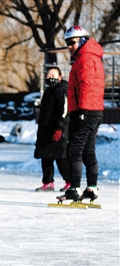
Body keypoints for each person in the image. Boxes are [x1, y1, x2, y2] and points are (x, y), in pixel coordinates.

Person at [57, 26, 105, 202]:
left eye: (72, 42)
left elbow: (87, 84)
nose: (69, 46)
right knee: (88, 152)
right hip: (93, 111)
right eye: (67, 43)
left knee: (74, 151)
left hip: (86, 111)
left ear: (83, 40)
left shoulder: (85, 58)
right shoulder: (89, 57)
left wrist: (82, 110)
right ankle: (92, 188)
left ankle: (74, 189)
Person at [34, 67, 70, 192]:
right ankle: (48, 182)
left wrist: (59, 128)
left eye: (53, 75)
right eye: (48, 76)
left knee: (61, 157)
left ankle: (70, 182)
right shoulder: (48, 91)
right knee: (46, 157)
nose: (50, 78)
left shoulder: (62, 91)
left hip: (57, 131)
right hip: (45, 130)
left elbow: (64, 111)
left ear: (60, 77)